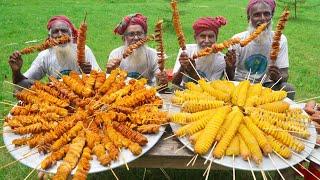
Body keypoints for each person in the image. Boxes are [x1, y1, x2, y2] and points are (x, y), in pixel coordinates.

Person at [226, 0, 295, 100]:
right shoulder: (238, 40)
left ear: (271, 16)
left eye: (267, 14)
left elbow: (285, 75)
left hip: (266, 85)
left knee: (288, 88)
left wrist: (278, 77)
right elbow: (229, 78)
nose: (263, 19)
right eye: (257, 15)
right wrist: (230, 67)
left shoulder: (280, 39)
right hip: (240, 84)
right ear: (249, 18)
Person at [8, 15, 101, 89]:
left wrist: (89, 73)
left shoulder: (84, 50)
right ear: (50, 38)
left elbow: (101, 80)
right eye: (56, 31)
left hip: (85, 97)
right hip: (57, 98)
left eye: (64, 31)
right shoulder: (44, 56)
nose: (60, 35)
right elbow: (21, 86)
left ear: (71, 34)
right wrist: (16, 72)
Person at [107, 13, 168, 86]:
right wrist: (109, 72)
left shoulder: (155, 55)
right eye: (131, 34)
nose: (136, 38)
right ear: (124, 38)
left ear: (145, 35)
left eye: (139, 33)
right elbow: (108, 83)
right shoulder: (115, 54)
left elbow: (161, 85)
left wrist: (162, 79)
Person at [172, 16, 228, 86]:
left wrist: (193, 73)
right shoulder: (186, 51)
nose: (207, 41)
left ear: (216, 38)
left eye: (210, 36)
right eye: (203, 36)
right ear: (195, 38)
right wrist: (182, 67)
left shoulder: (221, 59)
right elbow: (174, 82)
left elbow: (211, 89)